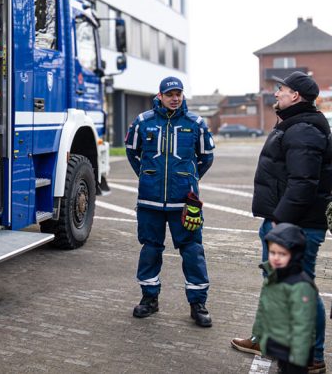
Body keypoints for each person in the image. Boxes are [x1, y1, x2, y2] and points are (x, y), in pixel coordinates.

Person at [231, 71, 332, 374]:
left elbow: (303, 183)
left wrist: (281, 224)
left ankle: (312, 356)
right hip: (286, 221)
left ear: (296, 96)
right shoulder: (295, 123)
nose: (276, 93)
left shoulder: (303, 129)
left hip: (295, 226)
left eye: (281, 89)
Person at [124, 76, 215, 327]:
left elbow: (206, 157)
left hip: (184, 203)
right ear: (160, 96)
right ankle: (149, 299)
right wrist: (147, 176)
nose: (174, 98)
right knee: (150, 250)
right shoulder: (143, 122)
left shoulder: (195, 123)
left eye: (178, 93)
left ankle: (198, 304)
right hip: (149, 203)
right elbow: (132, 153)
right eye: (169, 94)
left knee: (193, 251)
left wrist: (190, 180)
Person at [251, 223, 317, 374]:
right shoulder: (275, 276)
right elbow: (264, 309)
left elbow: (304, 325)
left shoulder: (300, 285)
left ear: (294, 255)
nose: (276, 258)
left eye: (282, 254)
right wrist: (260, 334)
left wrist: (299, 357)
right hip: (279, 343)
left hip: (295, 350)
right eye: (273, 252)